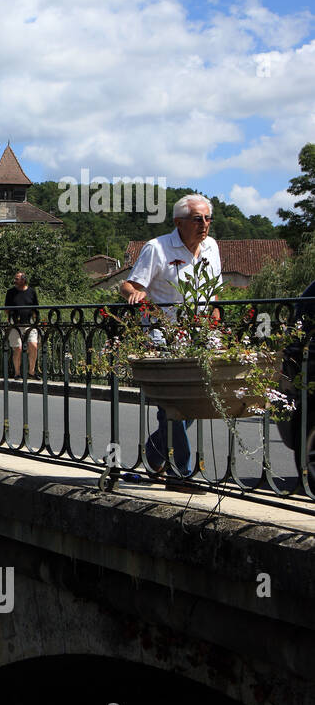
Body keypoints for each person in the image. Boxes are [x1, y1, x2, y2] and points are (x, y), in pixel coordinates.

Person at [120, 193, 221, 488]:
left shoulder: (212, 247)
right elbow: (129, 284)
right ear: (178, 222)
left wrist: (214, 313)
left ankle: (154, 453)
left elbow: (213, 291)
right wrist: (134, 295)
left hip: (201, 335)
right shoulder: (157, 248)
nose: (204, 224)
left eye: (207, 218)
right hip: (165, 337)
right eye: (197, 219)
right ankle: (182, 473)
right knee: (172, 405)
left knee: (197, 401)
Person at [5, 271, 40, 378]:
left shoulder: (31, 292)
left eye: (17, 279)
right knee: (18, 348)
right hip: (15, 325)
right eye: (15, 279)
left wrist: (36, 321)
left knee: (33, 345)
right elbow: (6, 309)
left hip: (29, 324)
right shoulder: (10, 292)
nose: (14, 281)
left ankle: (31, 371)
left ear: (23, 280)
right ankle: (17, 373)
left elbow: (36, 308)